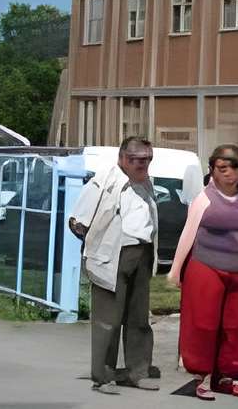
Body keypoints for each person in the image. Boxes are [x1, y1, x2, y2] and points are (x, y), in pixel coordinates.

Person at [170, 144, 238, 399]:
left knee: (237, 326)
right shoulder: (204, 198)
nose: (229, 174)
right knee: (203, 323)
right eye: (222, 168)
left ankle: (227, 375)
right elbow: (188, 233)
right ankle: (199, 377)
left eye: (235, 168)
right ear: (212, 170)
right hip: (206, 267)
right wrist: (176, 270)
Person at [69, 135, 162, 395]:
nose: (143, 165)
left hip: (141, 253)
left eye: (147, 159)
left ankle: (138, 372)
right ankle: (103, 376)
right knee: (107, 320)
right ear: (122, 158)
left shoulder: (145, 183)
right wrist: (95, 248)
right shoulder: (104, 181)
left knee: (139, 318)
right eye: (137, 160)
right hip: (112, 256)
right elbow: (77, 221)